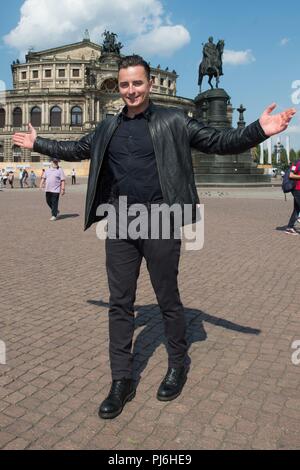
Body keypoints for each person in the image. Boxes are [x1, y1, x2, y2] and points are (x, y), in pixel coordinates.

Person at [13, 54, 296, 420]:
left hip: (162, 219)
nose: (131, 90)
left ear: (149, 84)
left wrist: (259, 130)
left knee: (167, 298)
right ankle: (121, 380)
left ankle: (177, 363)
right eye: (125, 84)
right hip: (120, 220)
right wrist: (40, 143)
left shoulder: (173, 120)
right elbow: (76, 149)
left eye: (138, 83)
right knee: (119, 302)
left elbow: (217, 140)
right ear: (119, 87)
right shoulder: (108, 127)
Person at [285, 160, 300, 235]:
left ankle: (289, 228)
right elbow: (291, 175)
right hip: (297, 190)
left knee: (296, 209)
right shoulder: (297, 163)